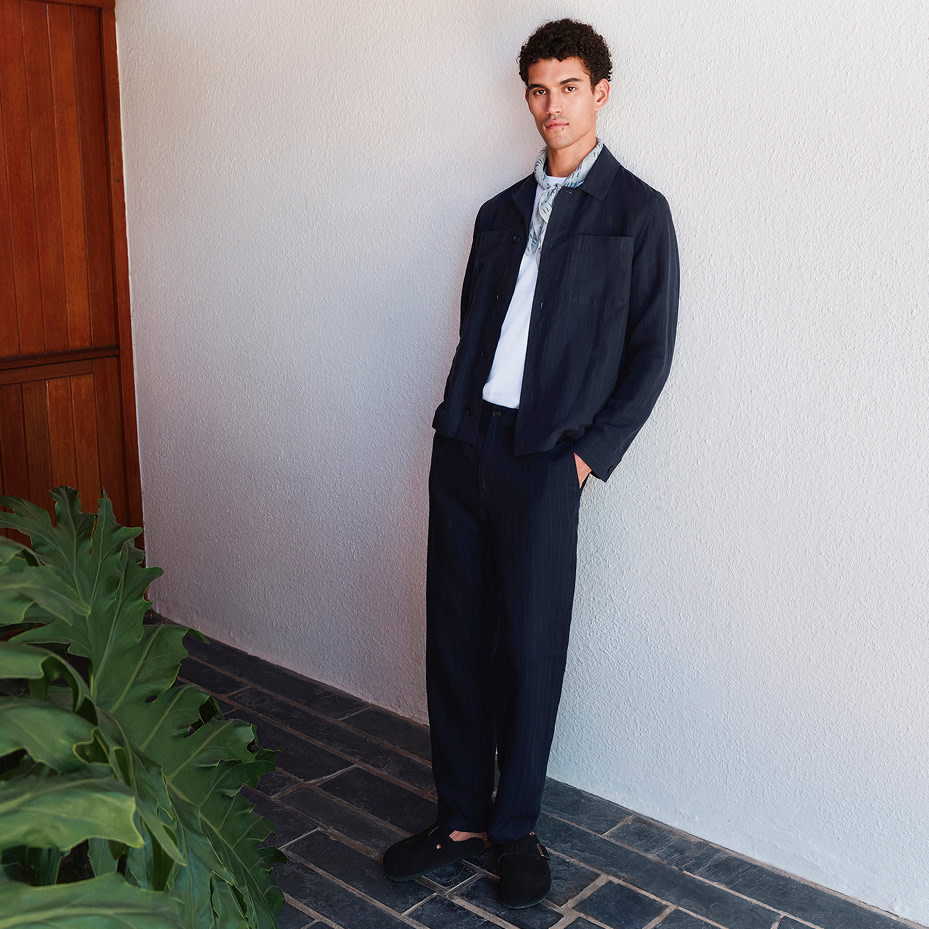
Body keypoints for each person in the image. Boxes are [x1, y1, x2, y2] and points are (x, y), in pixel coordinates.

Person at [383, 18, 679, 909]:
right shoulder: (499, 211)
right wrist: (453, 421)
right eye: (538, 90)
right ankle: (460, 814)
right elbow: (480, 329)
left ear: (600, 93)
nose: (552, 106)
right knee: (456, 635)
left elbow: (650, 352)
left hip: (549, 460)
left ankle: (515, 828)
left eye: (568, 87)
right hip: (468, 444)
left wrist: (588, 456)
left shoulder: (637, 214)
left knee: (530, 644)